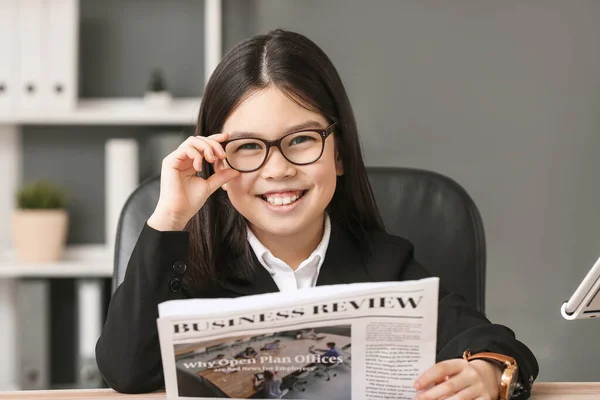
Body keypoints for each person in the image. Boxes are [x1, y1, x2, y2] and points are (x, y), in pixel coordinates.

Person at [95, 29, 539, 400]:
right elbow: (126, 372)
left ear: (339, 153)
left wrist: (488, 373)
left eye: (302, 139)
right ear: (218, 162)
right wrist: (171, 217)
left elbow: (493, 343)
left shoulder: (387, 266)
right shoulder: (190, 274)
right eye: (248, 146)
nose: (278, 169)